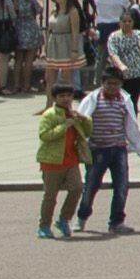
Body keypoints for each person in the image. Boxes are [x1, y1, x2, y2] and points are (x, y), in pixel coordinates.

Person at [32, 77, 88, 238]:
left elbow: (87, 131)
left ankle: (64, 219)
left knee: (77, 188)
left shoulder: (73, 114)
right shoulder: (49, 115)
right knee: (50, 196)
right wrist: (64, 126)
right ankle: (44, 226)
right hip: (52, 161)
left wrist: (84, 120)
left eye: (68, 96)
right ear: (55, 98)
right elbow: (44, 135)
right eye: (61, 96)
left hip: (71, 160)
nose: (66, 99)